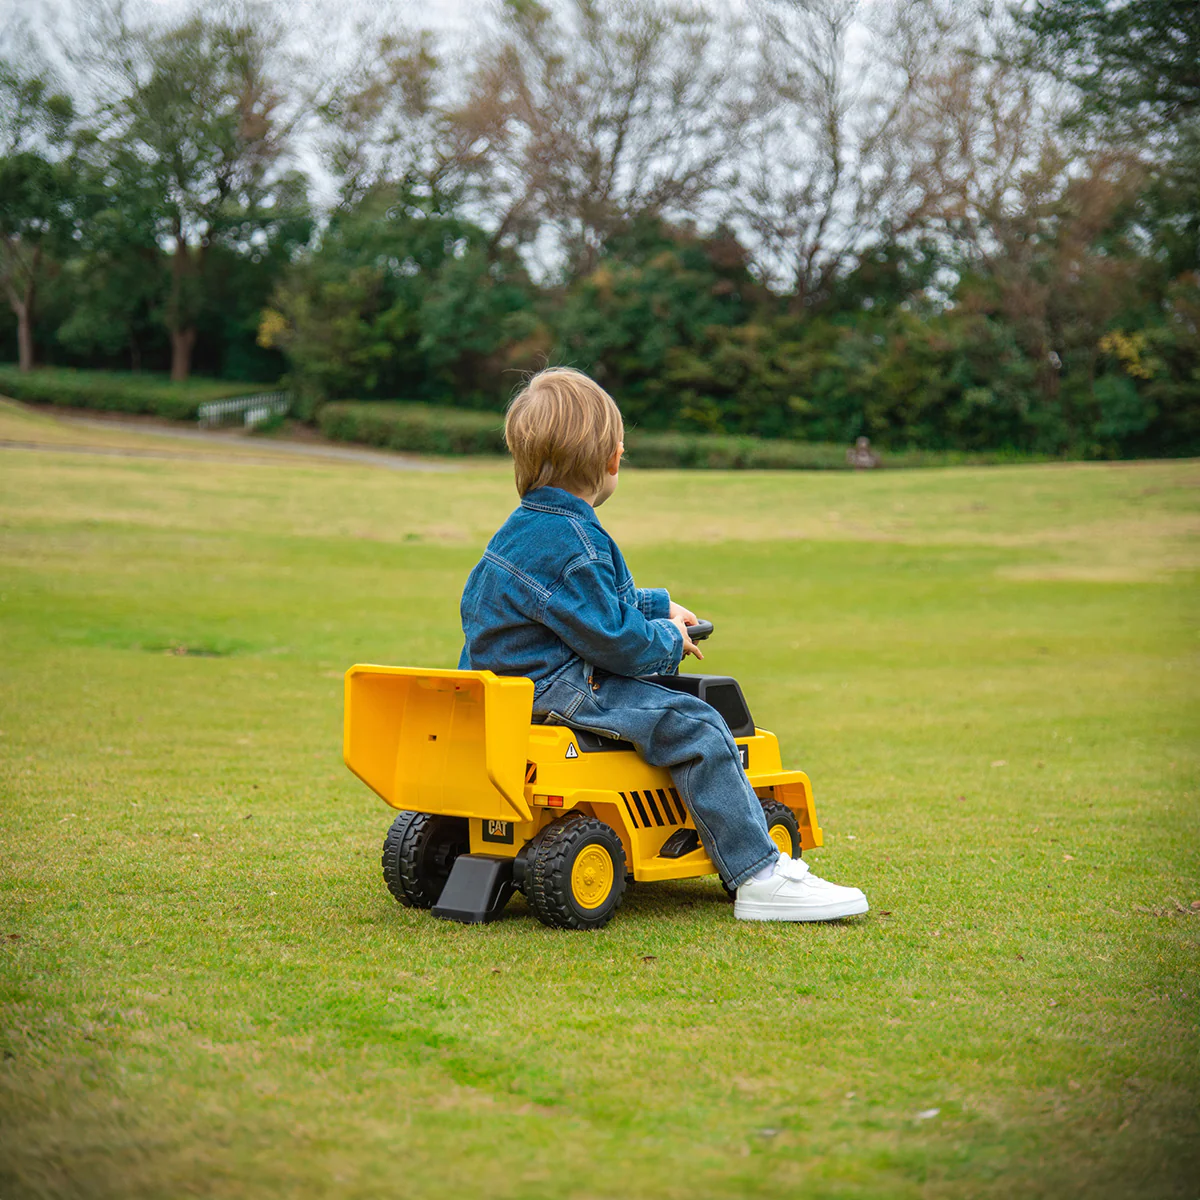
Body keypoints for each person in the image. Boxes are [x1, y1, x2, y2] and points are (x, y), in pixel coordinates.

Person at [458, 367, 868, 922]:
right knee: (697, 724)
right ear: (612, 460)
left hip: (506, 690)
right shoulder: (578, 541)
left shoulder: (521, 532)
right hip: (559, 689)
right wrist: (666, 640)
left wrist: (656, 607)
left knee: (670, 709)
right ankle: (758, 874)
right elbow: (614, 642)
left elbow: (579, 604)